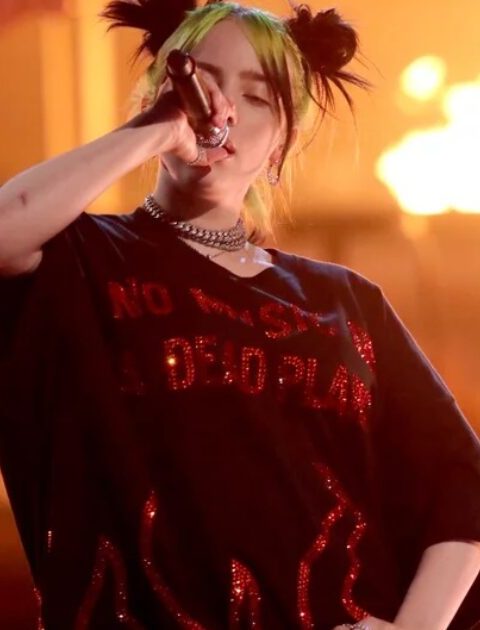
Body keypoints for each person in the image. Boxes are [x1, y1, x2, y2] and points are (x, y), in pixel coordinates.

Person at [0, 1, 480, 628]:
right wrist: (156, 129)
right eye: (200, 82)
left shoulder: (345, 301)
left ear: (283, 140)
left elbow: (462, 488)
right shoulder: (83, 257)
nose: (219, 111)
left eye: (256, 97)